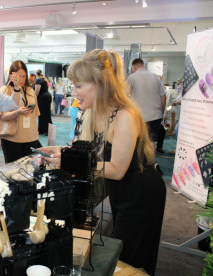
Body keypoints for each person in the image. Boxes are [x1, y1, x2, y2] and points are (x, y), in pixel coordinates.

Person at [40, 49, 166, 275]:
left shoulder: (125, 116)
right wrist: (61, 150)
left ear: (100, 84)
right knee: (122, 247)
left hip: (141, 192)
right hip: (121, 190)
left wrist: (67, 162)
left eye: (78, 86)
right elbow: (86, 151)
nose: (73, 92)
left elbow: (116, 169)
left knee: (133, 256)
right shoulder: (93, 112)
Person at [0, 60, 41, 163]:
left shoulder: (30, 90)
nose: (21, 79)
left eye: (24, 76)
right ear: (11, 75)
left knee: (29, 171)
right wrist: (17, 112)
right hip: (12, 139)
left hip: (31, 138)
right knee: (13, 171)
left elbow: (35, 114)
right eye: (18, 76)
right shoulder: (6, 89)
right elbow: (2, 116)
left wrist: (36, 135)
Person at [127, 58, 166, 153]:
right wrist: (161, 112)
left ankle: (139, 164)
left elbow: (125, 97)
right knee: (151, 142)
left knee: (138, 142)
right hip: (155, 115)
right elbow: (163, 97)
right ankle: (150, 164)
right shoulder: (156, 77)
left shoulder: (132, 77)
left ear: (134, 67)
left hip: (139, 116)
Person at [34, 69, 52, 135]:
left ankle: (44, 130)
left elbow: (37, 91)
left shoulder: (38, 80)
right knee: (46, 113)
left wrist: (33, 98)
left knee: (42, 114)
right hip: (47, 96)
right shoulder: (44, 80)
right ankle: (45, 130)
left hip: (42, 98)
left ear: (36, 74)